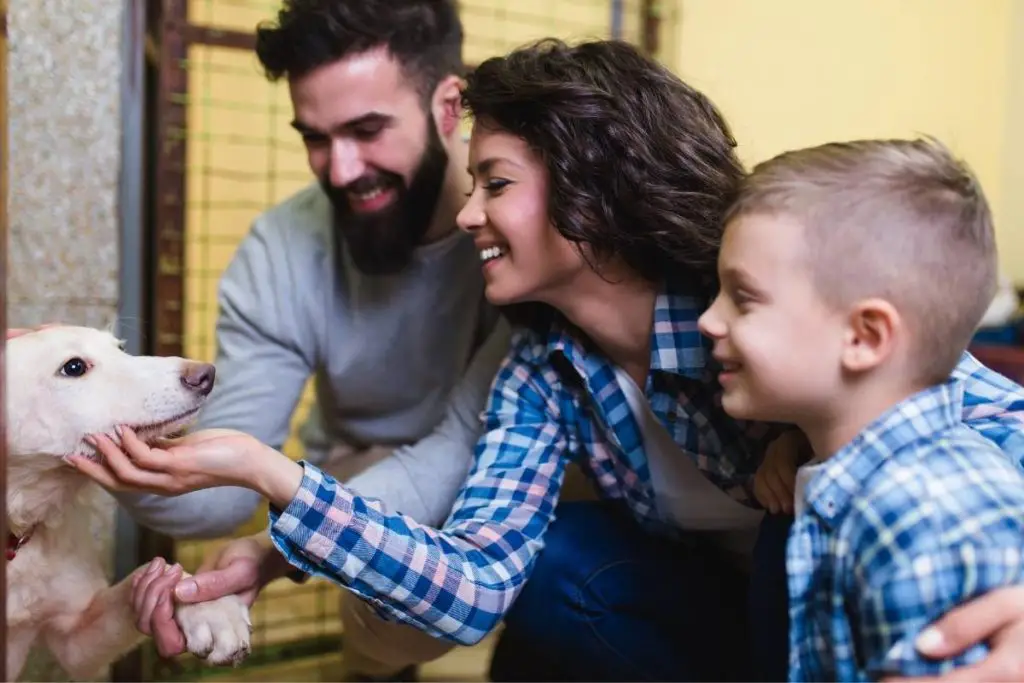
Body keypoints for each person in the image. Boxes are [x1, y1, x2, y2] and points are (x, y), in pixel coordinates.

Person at [68, 40, 1024, 682]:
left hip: (842, 595)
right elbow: (474, 577)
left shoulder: (768, 307)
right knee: (555, 568)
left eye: (496, 184)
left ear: (594, 194)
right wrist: (268, 491)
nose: (470, 213)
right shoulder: (541, 370)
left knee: (804, 508)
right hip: (726, 619)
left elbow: (970, 422)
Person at [107, 0, 513, 679]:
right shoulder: (282, 249)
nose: (342, 168)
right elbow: (224, 492)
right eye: (316, 137)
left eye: (367, 129)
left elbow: (466, 447)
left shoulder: (521, 225)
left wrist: (279, 542)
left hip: (521, 474)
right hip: (365, 472)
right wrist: (88, 427)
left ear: (449, 105)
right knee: (382, 618)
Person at [698, 137, 1024, 680]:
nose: (709, 320)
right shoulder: (853, 482)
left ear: (865, 337)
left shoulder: (923, 514)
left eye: (743, 297)